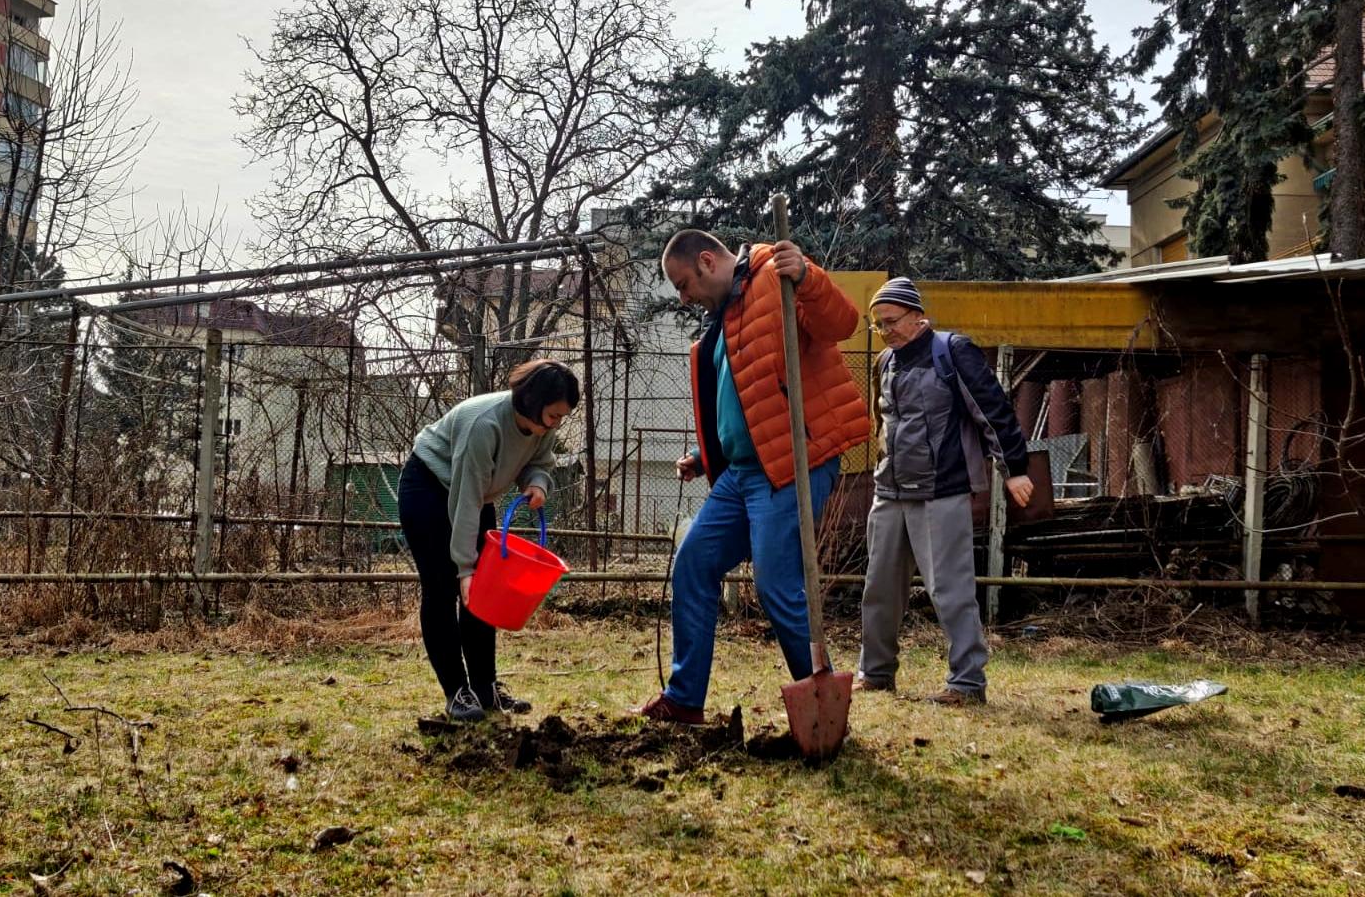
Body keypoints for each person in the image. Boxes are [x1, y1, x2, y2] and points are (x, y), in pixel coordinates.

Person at [633, 229, 870, 725]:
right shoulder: (725, 321)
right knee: (694, 564)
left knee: (778, 585)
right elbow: (746, 401)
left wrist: (807, 276)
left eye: (682, 284)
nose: (683, 297)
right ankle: (684, 699)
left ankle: (823, 710)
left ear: (705, 261)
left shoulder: (775, 275)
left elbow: (843, 323)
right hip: (742, 473)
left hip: (791, 462)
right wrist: (705, 454)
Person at [856, 277, 1033, 705]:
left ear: (918, 317)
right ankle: (876, 673)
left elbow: (993, 411)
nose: (887, 331)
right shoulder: (886, 362)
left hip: (941, 490)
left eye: (893, 321)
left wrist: (1014, 469)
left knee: (949, 590)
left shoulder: (952, 351)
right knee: (878, 588)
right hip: (890, 490)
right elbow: (885, 427)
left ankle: (967, 683)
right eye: (879, 325)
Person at [399, 359, 579, 722]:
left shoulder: (541, 428)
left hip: (475, 495)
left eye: (563, 417)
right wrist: (465, 567)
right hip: (429, 488)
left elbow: (541, 463)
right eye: (554, 415)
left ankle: (485, 687)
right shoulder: (485, 424)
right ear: (532, 401)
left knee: (484, 593)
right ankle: (456, 692)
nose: (557, 424)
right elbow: (464, 500)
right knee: (443, 587)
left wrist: (536, 483)